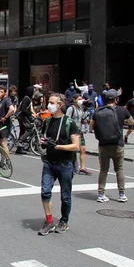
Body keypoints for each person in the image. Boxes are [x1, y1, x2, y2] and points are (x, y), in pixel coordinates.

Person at [38, 93, 80, 236]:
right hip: (49, 162)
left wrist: (57, 146)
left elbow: (76, 146)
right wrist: (44, 144)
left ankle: (64, 221)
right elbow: (45, 140)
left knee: (65, 196)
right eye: (49, 102)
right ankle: (49, 221)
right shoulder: (48, 122)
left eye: (52, 102)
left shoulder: (70, 123)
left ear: (60, 105)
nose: (49, 105)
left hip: (65, 163)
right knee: (45, 191)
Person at [89, 89, 133, 203]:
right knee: (119, 169)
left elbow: (90, 127)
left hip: (103, 144)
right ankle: (122, 194)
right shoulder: (122, 110)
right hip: (118, 144)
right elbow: (131, 122)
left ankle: (101, 194)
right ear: (116, 99)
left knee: (103, 169)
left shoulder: (98, 111)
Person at [66, 94, 91, 175]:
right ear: (74, 100)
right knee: (74, 149)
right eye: (79, 99)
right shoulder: (71, 108)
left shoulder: (81, 109)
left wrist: (85, 121)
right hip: (73, 132)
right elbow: (67, 120)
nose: (81, 100)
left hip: (80, 131)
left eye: (81, 99)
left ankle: (82, 168)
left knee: (83, 149)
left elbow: (82, 119)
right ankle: (72, 165)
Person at [15, 86, 36, 155]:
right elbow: (24, 109)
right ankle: (20, 141)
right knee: (29, 129)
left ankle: (19, 149)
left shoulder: (27, 98)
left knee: (22, 131)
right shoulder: (26, 99)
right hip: (22, 117)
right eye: (33, 91)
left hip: (22, 117)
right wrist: (31, 114)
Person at [0, 85, 15, 155]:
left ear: (5, 93)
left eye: (1, 92)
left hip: (5, 124)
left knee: (4, 143)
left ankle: (7, 161)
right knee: (1, 143)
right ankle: (2, 161)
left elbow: (12, 109)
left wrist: (5, 117)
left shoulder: (7, 100)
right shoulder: (1, 101)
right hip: (0, 123)